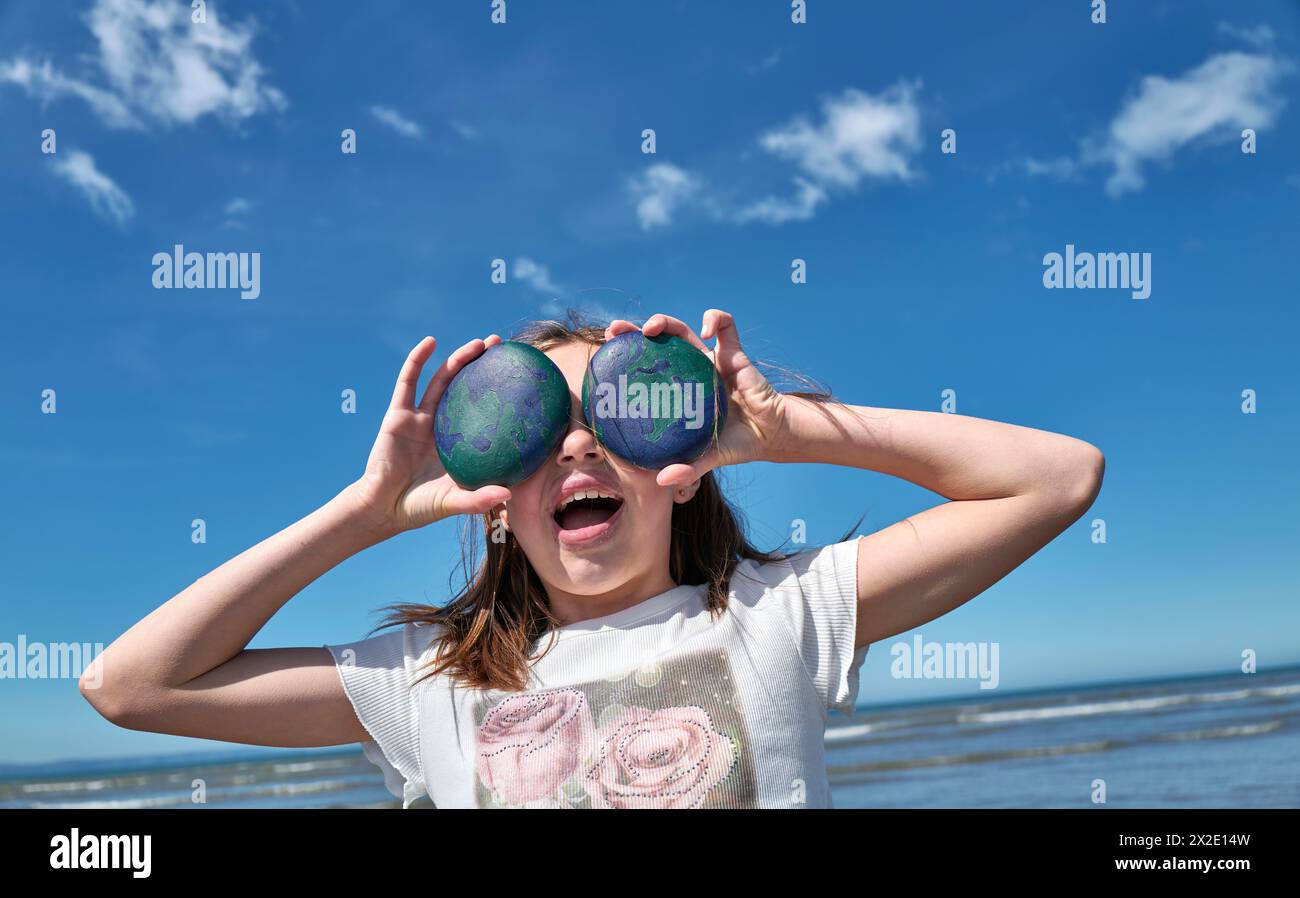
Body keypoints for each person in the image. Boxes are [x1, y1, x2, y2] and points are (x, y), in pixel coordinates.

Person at [78, 309, 1104, 808]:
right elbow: (130, 683)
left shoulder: (773, 612)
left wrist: (789, 428)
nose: (575, 444)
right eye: (528, 431)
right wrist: (365, 510)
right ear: (490, 506)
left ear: (678, 468)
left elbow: (1057, 478)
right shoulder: (425, 683)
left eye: (614, 418)